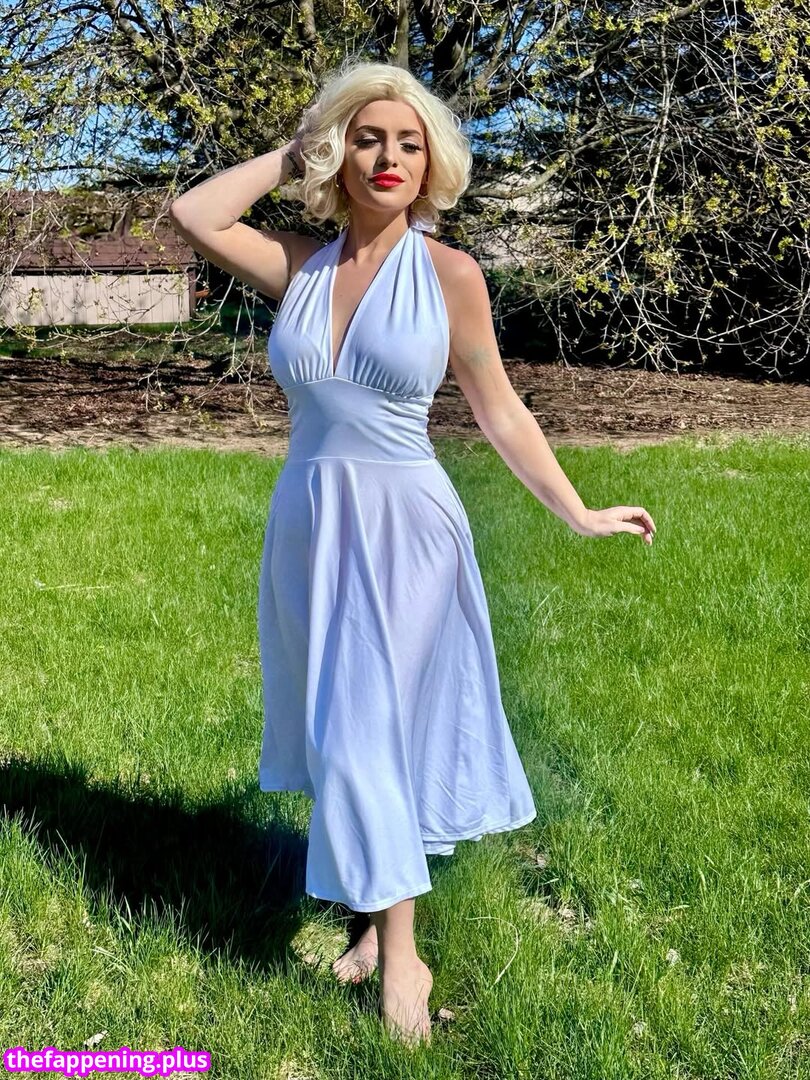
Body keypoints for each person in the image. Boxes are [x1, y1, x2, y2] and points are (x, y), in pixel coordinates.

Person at [169, 58, 656, 1049]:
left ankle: (402, 955)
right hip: (311, 521)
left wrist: (577, 511)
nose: (388, 157)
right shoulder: (299, 266)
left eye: (408, 142)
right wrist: (295, 149)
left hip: (407, 525)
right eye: (367, 138)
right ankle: (366, 915)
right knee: (339, 729)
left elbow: (500, 409)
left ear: (431, 164)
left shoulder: (449, 275)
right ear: (339, 153)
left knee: (367, 729)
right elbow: (195, 214)